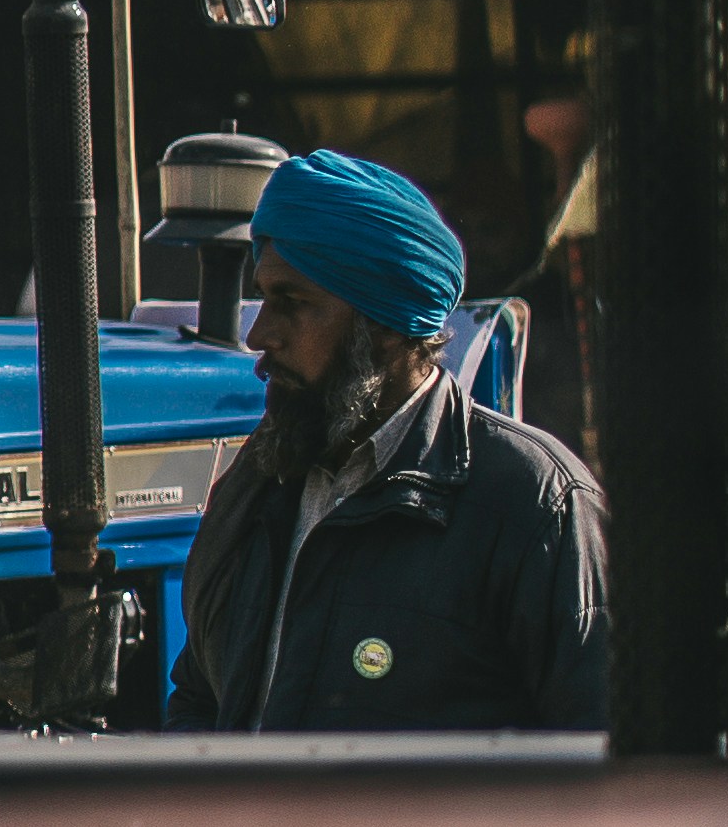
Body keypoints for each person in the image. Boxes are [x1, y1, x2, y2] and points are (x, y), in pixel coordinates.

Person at [169, 143, 610, 734]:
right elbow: (201, 703)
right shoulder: (258, 487)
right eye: (263, 298)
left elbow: (605, 761)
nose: (258, 334)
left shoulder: (535, 507)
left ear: (384, 327)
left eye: (292, 304)